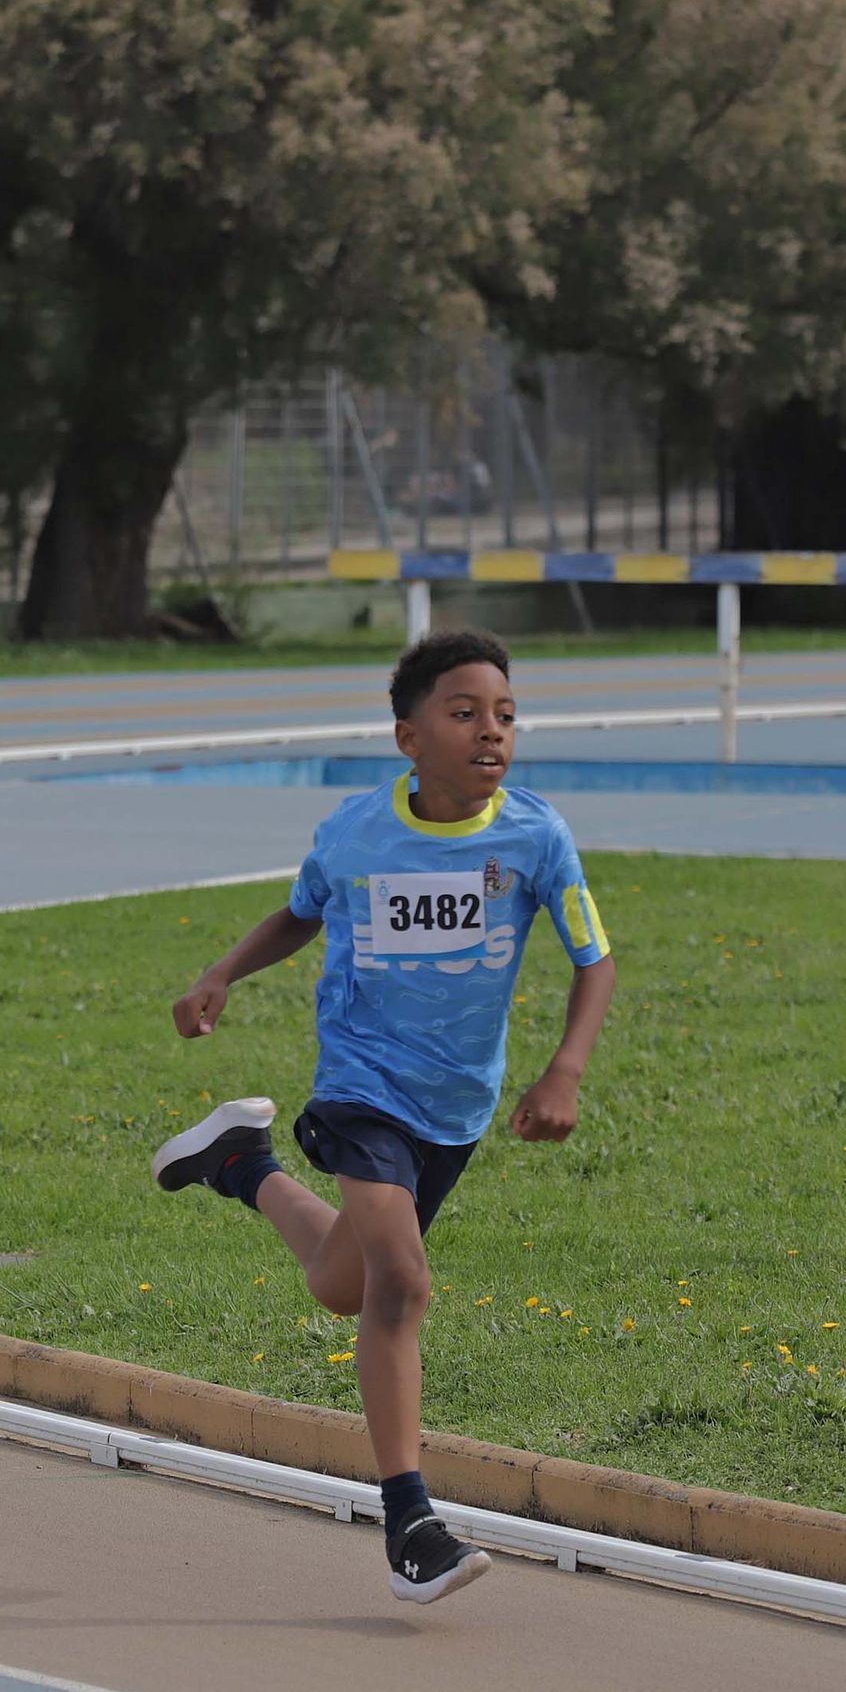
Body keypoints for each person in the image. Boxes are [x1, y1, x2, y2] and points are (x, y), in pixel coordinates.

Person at [153, 630, 615, 1603]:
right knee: (399, 1285)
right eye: (464, 713)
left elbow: (592, 960)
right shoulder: (357, 833)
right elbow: (303, 911)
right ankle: (410, 1521)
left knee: (345, 1285)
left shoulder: (535, 838)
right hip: (361, 1089)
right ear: (408, 736)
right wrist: (220, 975)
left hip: (456, 1109)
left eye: (504, 715)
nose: (490, 732)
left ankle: (240, 1163)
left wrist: (563, 1070)